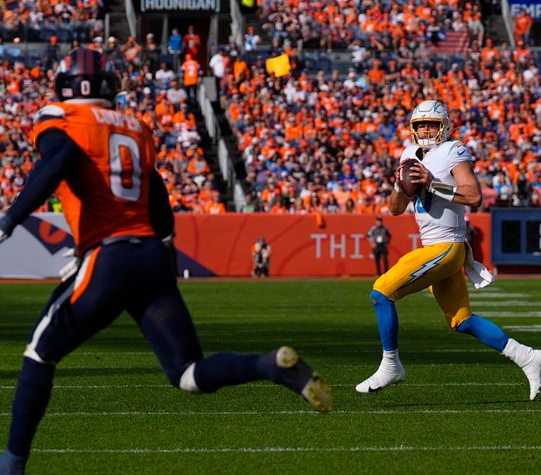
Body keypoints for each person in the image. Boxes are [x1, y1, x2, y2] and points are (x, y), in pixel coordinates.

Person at [0, 48, 332, 474]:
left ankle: (11, 464)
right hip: (150, 257)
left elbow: (58, 162)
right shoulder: (136, 127)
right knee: (188, 373)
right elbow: (160, 213)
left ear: (66, 85)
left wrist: (12, 217)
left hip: (110, 254)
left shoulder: (62, 117)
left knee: (39, 355)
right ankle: (267, 366)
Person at [355, 100, 541, 399]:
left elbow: (474, 196)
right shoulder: (408, 154)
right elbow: (395, 210)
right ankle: (526, 355)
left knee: (381, 293)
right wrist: (398, 186)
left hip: (448, 245)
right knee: (462, 320)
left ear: (444, 125)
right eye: (421, 125)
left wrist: (432, 185)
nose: (427, 129)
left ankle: (391, 365)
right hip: (434, 246)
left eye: (432, 123)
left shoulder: (453, 150)